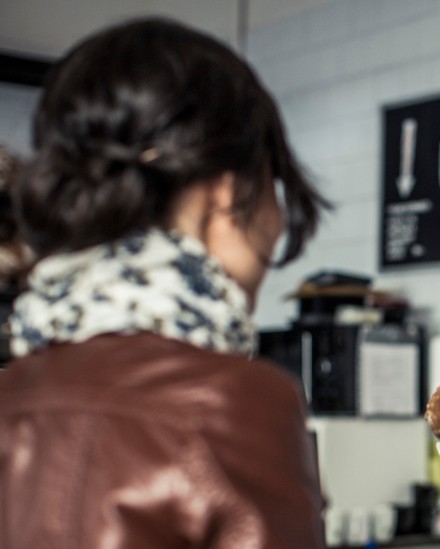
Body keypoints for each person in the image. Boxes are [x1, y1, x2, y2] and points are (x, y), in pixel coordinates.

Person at [0, 18, 331, 548]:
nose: (277, 223)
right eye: (274, 184)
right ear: (227, 192)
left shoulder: (14, 388)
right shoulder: (231, 400)